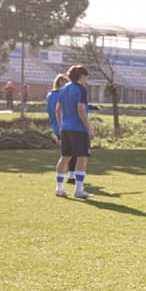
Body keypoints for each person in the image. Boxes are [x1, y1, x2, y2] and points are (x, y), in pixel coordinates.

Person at [54, 65, 93, 198]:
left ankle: (59, 188)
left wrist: (60, 125)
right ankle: (79, 190)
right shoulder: (81, 89)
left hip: (66, 128)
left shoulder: (63, 89)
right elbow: (81, 109)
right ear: (82, 76)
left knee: (65, 157)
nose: (87, 79)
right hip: (78, 128)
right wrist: (88, 127)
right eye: (86, 77)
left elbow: (57, 109)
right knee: (82, 157)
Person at [45, 74, 77, 183]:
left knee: (67, 153)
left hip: (56, 126)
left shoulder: (50, 95)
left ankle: (67, 177)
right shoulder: (62, 95)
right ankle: (71, 176)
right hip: (65, 126)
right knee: (70, 153)